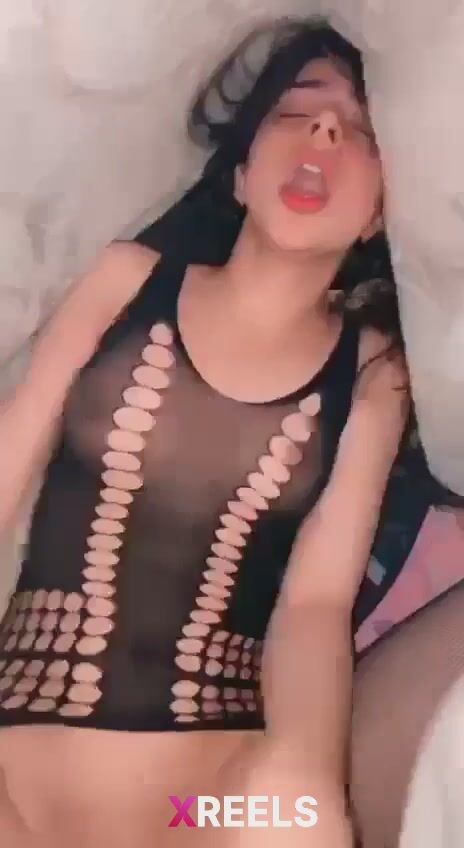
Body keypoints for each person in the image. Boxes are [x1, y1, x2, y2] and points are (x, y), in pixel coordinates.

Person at [0, 18, 430, 848]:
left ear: (379, 215)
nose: (325, 131)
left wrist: (304, 776)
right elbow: (8, 457)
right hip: (14, 784)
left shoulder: (375, 374)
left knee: (295, 820)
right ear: (239, 174)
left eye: (360, 130)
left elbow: (315, 605)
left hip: (196, 809)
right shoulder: (129, 279)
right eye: (294, 111)